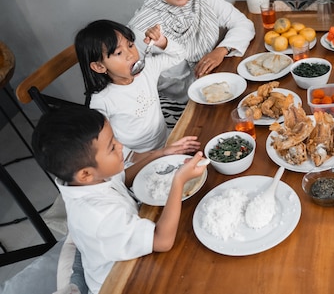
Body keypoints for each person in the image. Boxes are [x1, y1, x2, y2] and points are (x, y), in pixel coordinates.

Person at [31, 106, 208, 294]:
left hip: (130, 248)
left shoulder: (88, 180)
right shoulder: (99, 216)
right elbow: (162, 241)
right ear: (85, 174)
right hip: (119, 281)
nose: (121, 146)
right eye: (112, 147)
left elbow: (123, 178)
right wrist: (178, 181)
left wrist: (160, 154)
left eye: (115, 138)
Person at [128, 0, 255, 106]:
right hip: (176, 103)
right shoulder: (140, 27)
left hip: (220, 82)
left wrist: (220, 51)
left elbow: (243, 24)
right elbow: (135, 79)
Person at [75, 19, 201, 180]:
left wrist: (162, 42)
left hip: (167, 138)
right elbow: (102, 142)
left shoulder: (148, 69)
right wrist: (137, 156)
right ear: (100, 67)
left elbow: (179, 54)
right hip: (136, 158)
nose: (130, 55)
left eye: (130, 45)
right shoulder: (102, 101)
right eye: (119, 53)